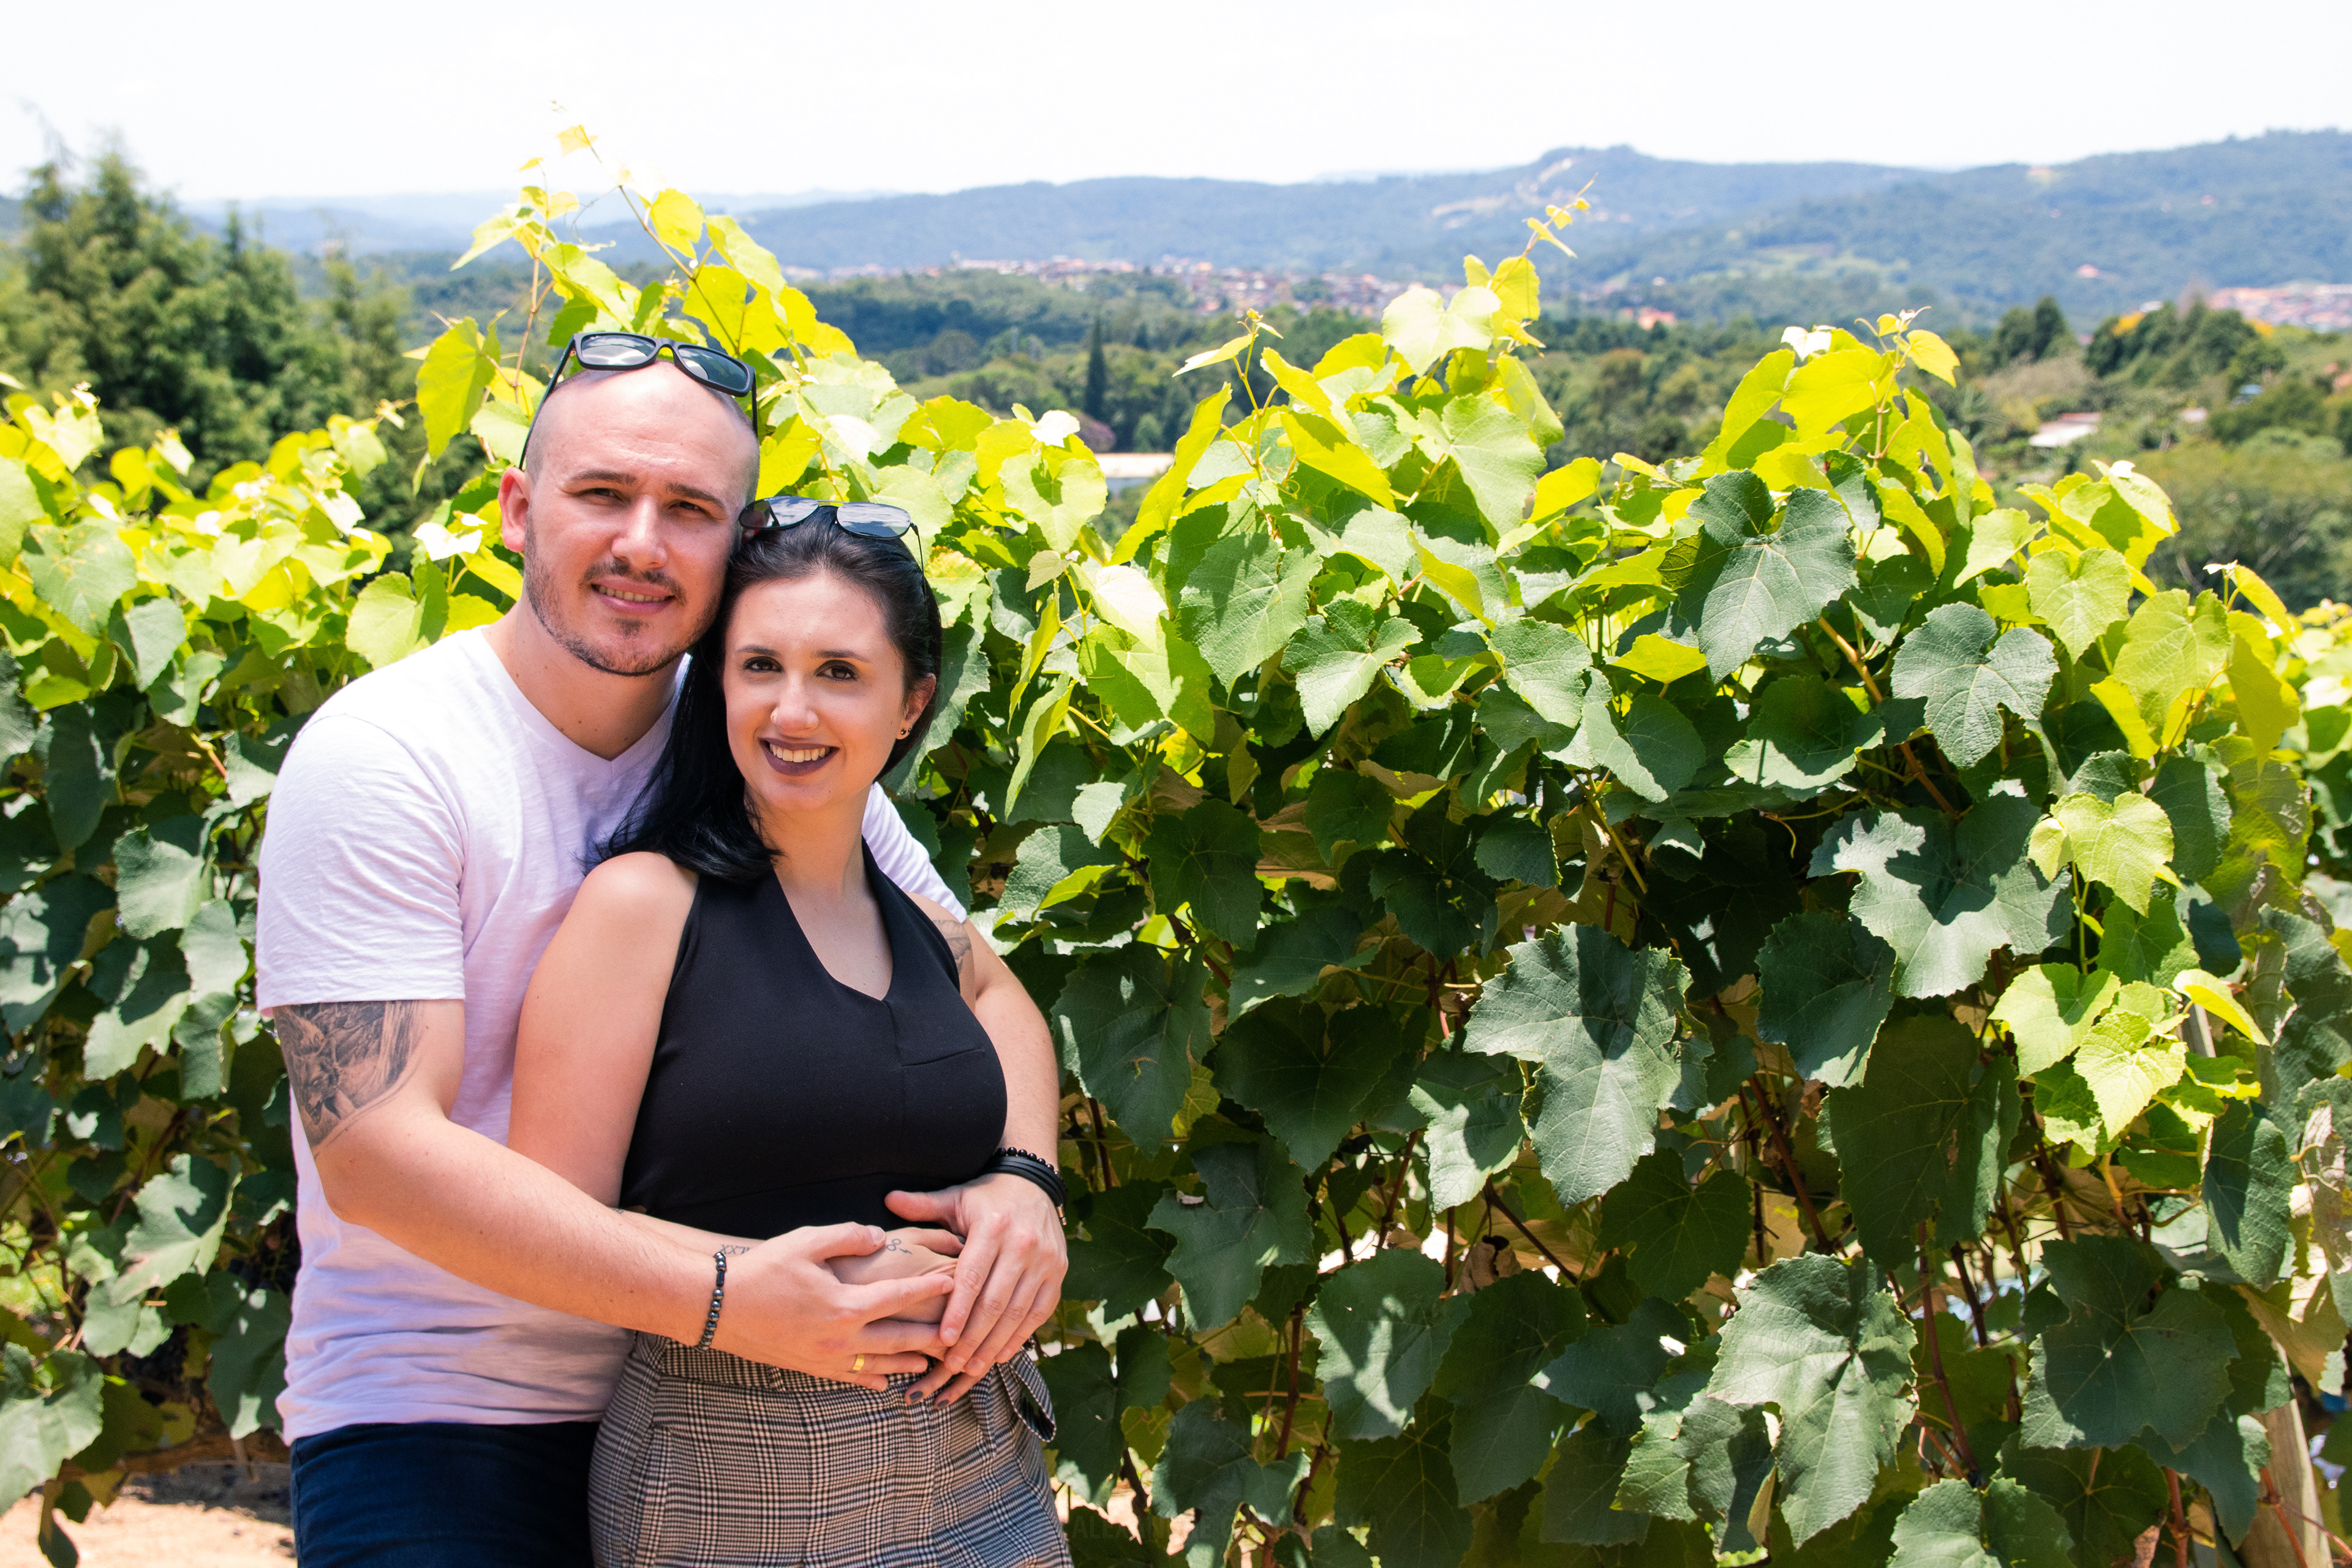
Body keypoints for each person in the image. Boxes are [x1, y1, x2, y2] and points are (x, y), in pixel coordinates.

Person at [254, 334, 1066, 1566]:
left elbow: (980, 979)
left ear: (733, 547)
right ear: (518, 509)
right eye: (602, 493)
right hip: (446, 1410)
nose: (642, 541)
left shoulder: (759, 735)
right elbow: (374, 1153)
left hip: (711, 1396)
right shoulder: (387, 758)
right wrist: (732, 1292)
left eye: (689, 509)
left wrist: (1024, 1178)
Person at [508, 497, 1069, 1567]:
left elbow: (1007, 1002)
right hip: (738, 1469)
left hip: (980, 1462)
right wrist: (754, 1282)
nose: (792, 709)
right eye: (760, 665)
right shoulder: (645, 907)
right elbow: (542, 1226)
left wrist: (1025, 1180)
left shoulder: (921, 925)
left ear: (912, 703)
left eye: (840, 672)